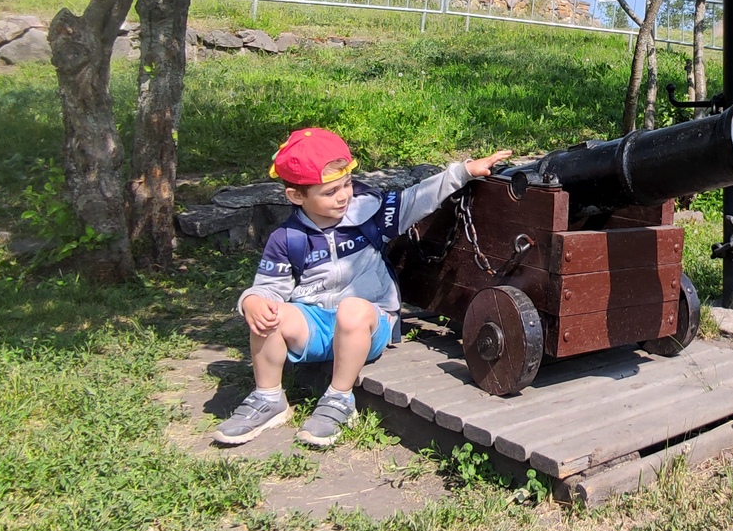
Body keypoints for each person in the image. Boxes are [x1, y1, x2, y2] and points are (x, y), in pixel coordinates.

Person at [213, 127, 512, 447]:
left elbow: (416, 199)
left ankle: (339, 398)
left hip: (366, 323)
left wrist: (462, 171)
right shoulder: (287, 238)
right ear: (296, 196)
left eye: (346, 185)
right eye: (329, 192)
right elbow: (270, 287)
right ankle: (269, 397)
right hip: (316, 322)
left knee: (351, 309)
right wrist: (254, 301)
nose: (343, 196)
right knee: (267, 313)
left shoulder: (369, 212)